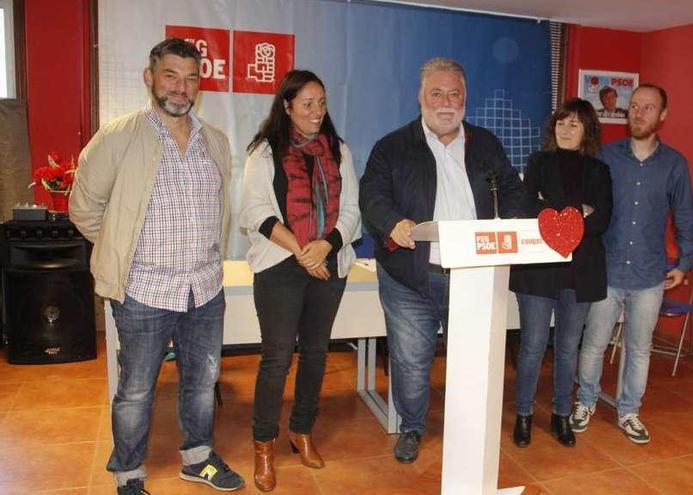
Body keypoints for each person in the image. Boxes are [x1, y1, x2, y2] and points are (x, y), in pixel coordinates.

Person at [69, 38, 244, 494]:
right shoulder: (119, 137)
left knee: (203, 383)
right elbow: (84, 208)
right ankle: (128, 473)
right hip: (143, 292)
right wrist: (122, 251)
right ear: (150, 78)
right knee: (136, 391)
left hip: (204, 290)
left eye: (190, 78)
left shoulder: (215, 142)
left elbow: (219, 210)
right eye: (171, 75)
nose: (180, 88)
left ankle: (198, 458)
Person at [359, 57, 529, 464]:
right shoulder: (393, 146)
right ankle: (412, 428)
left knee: (471, 360)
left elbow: (511, 190)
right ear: (420, 98)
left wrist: (523, 222)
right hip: (410, 277)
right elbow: (372, 196)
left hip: (473, 275)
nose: (446, 102)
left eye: (455, 94)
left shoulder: (486, 144)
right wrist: (391, 222)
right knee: (411, 361)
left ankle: (465, 428)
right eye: (437, 93)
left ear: (465, 98)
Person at [239, 69, 361, 491]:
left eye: (321, 103)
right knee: (276, 359)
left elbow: (352, 210)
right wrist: (300, 249)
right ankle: (264, 444)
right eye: (306, 103)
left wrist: (325, 246)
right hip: (280, 264)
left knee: (316, 353)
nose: (316, 111)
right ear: (287, 106)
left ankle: (302, 431)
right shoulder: (264, 150)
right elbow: (255, 211)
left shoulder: (339, 150)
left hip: (327, 261)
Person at [572, 83, 693, 444]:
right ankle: (586, 402)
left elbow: (685, 216)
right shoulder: (606, 157)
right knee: (594, 343)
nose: (638, 113)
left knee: (639, 348)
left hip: (648, 275)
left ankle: (629, 411)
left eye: (648, 108)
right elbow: (584, 204)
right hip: (607, 270)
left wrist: (683, 262)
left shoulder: (675, 164)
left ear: (662, 116)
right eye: (635, 106)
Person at [509, 98, 612, 448]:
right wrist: (576, 211)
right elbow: (526, 206)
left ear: (587, 131)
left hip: (580, 272)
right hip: (538, 270)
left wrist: (551, 206)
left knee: (568, 348)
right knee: (532, 346)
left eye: (575, 124)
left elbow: (602, 219)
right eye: (561, 123)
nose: (566, 130)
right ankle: (523, 414)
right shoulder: (538, 161)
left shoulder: (600, 171)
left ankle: (561, 415)